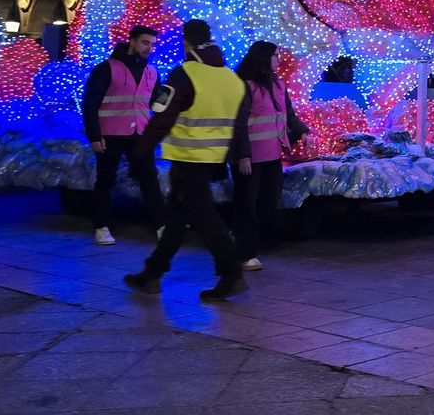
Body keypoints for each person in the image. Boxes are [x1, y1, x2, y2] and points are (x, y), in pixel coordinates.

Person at [123, 20, 252, 302]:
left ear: (186, 42)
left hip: (187, 159)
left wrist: (140, 154)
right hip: (211, 160)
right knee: (178, 219)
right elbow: (238, 126)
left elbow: (161, 120)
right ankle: (151, 274)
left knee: (205, 218)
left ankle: (231, 274)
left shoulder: (185, 75)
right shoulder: (233, 80)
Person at [81, 26, 165, 244]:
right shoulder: (107, 68)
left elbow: (158, 101)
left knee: (149, 179)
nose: (150, 48)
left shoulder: (152, 72)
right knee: (105, 180)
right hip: (110, 134)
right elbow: (90, 103)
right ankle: (101, 226)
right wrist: (94, 135)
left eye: (152, 44)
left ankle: (161, 225)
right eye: (145, 43)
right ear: (132, 42)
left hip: (140, 134)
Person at [233, 41, 308, 272]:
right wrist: (242, 155)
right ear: (264, 58)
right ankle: (245, 252)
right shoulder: (244, 86)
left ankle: (244, 237)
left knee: (269, 200)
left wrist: (303, 131)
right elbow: (238, 123)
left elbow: (288, 114)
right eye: (275, 55)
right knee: (247, 202)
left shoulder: (277, 84)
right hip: (249, 157)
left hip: (272, 154)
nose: (278, 59)